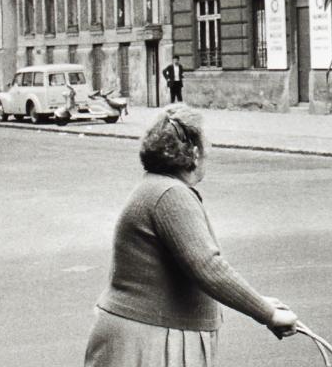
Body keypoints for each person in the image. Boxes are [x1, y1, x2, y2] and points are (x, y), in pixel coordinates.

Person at [84, 104, 298, 366]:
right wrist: (268, 314)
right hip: (148, 337)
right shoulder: (170, 195)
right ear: (194, 153)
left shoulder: (157, 187)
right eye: (207, 144)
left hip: (146, 331)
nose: (210, 151)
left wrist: (261, 304)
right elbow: (207, 266)